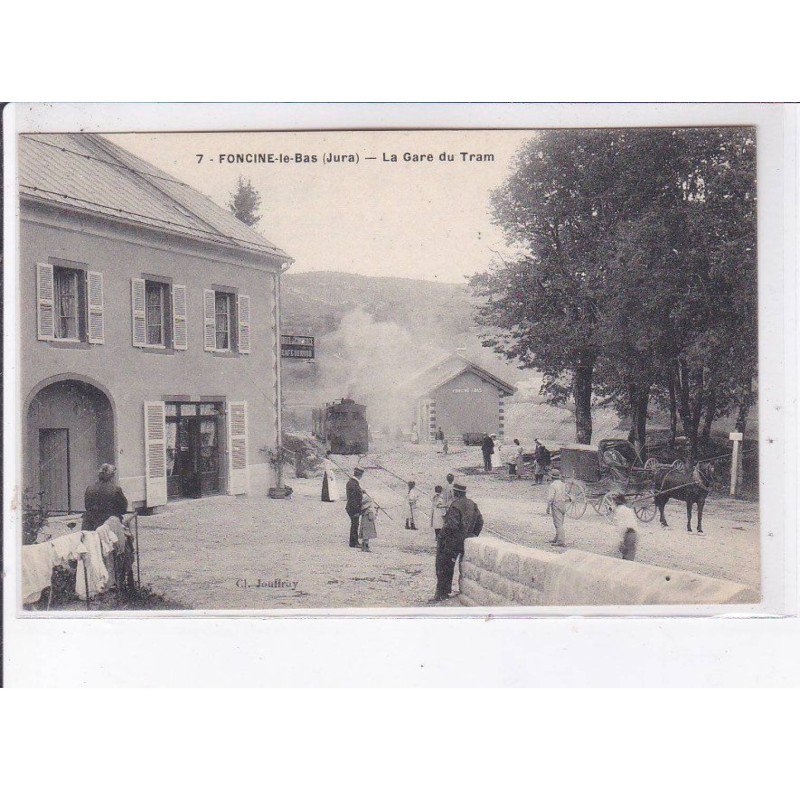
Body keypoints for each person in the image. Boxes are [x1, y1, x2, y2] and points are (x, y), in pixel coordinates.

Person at [434, 482, 483, 601]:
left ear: (455, 493)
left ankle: (442, 593)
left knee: (443, 566)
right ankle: (445, 592)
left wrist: (441, 536)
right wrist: (473, 534)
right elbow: (480, 521)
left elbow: (452, 525)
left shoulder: (455, 505)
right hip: (465, 541)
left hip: (452, 542)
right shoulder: (472, 504)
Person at [82, 463, 128, 531]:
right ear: (112, 476)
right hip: (109, 525)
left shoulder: (89, 488)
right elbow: (123, 509)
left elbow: (87, 506)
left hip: (91, 525)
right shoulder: (116, 489)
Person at [612, 493, 639, 560]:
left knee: (626, 559)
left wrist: (620, 540)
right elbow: (634, 524)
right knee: (630, 558)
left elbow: (621, 526)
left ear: (616, 502)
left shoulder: (619, 510)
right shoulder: (628, 509)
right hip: (634, 534)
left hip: (627, 535)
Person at [345, 467, 365, 548]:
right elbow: (353, 499)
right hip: (353, 508)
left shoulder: (353, 482)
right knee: (355, 524)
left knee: (355, 524)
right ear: (359, 475)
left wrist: (361, 491)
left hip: (351, 507)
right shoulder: (353, 483)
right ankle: (353, 543)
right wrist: (356, 510)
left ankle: (354, 541)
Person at [546, 476, 568, 547]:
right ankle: (557, 538)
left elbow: (550, 498)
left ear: (552, 477)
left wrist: (548, 507)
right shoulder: (563, 484)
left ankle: (560, 541)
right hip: (563, 504)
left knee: (557, 523)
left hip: (556, 504)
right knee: (560, 522)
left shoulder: (552, 485)